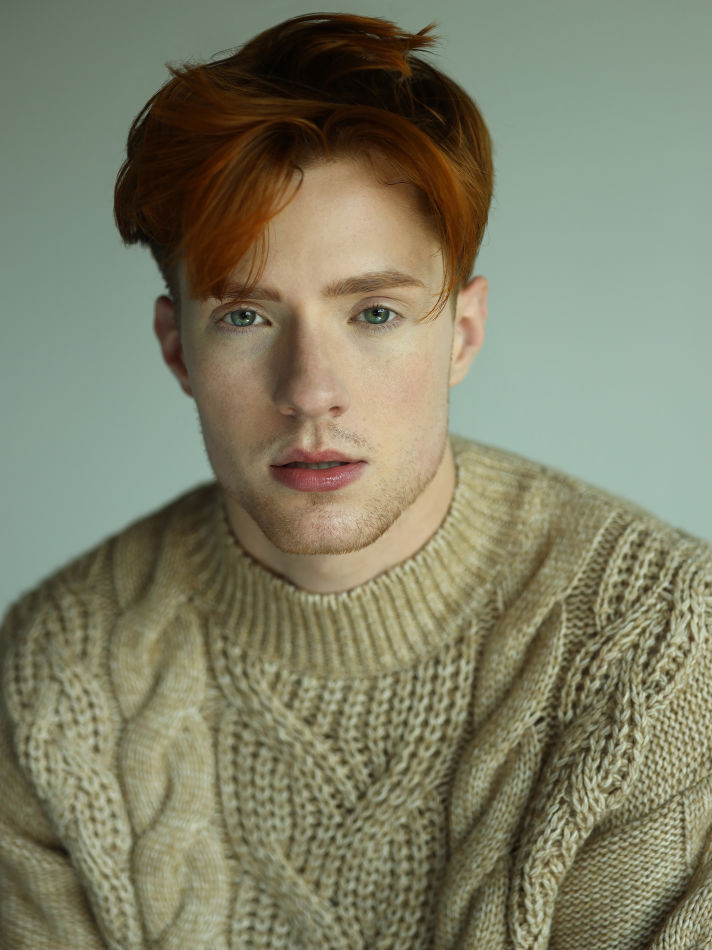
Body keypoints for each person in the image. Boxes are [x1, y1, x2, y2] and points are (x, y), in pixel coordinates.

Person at [0, 11, 710, 949]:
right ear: (177, 349)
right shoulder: (55, 679)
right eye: (246, 317)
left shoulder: (659, 643)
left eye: (374, 312)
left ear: (461, 334)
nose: (310, 392)